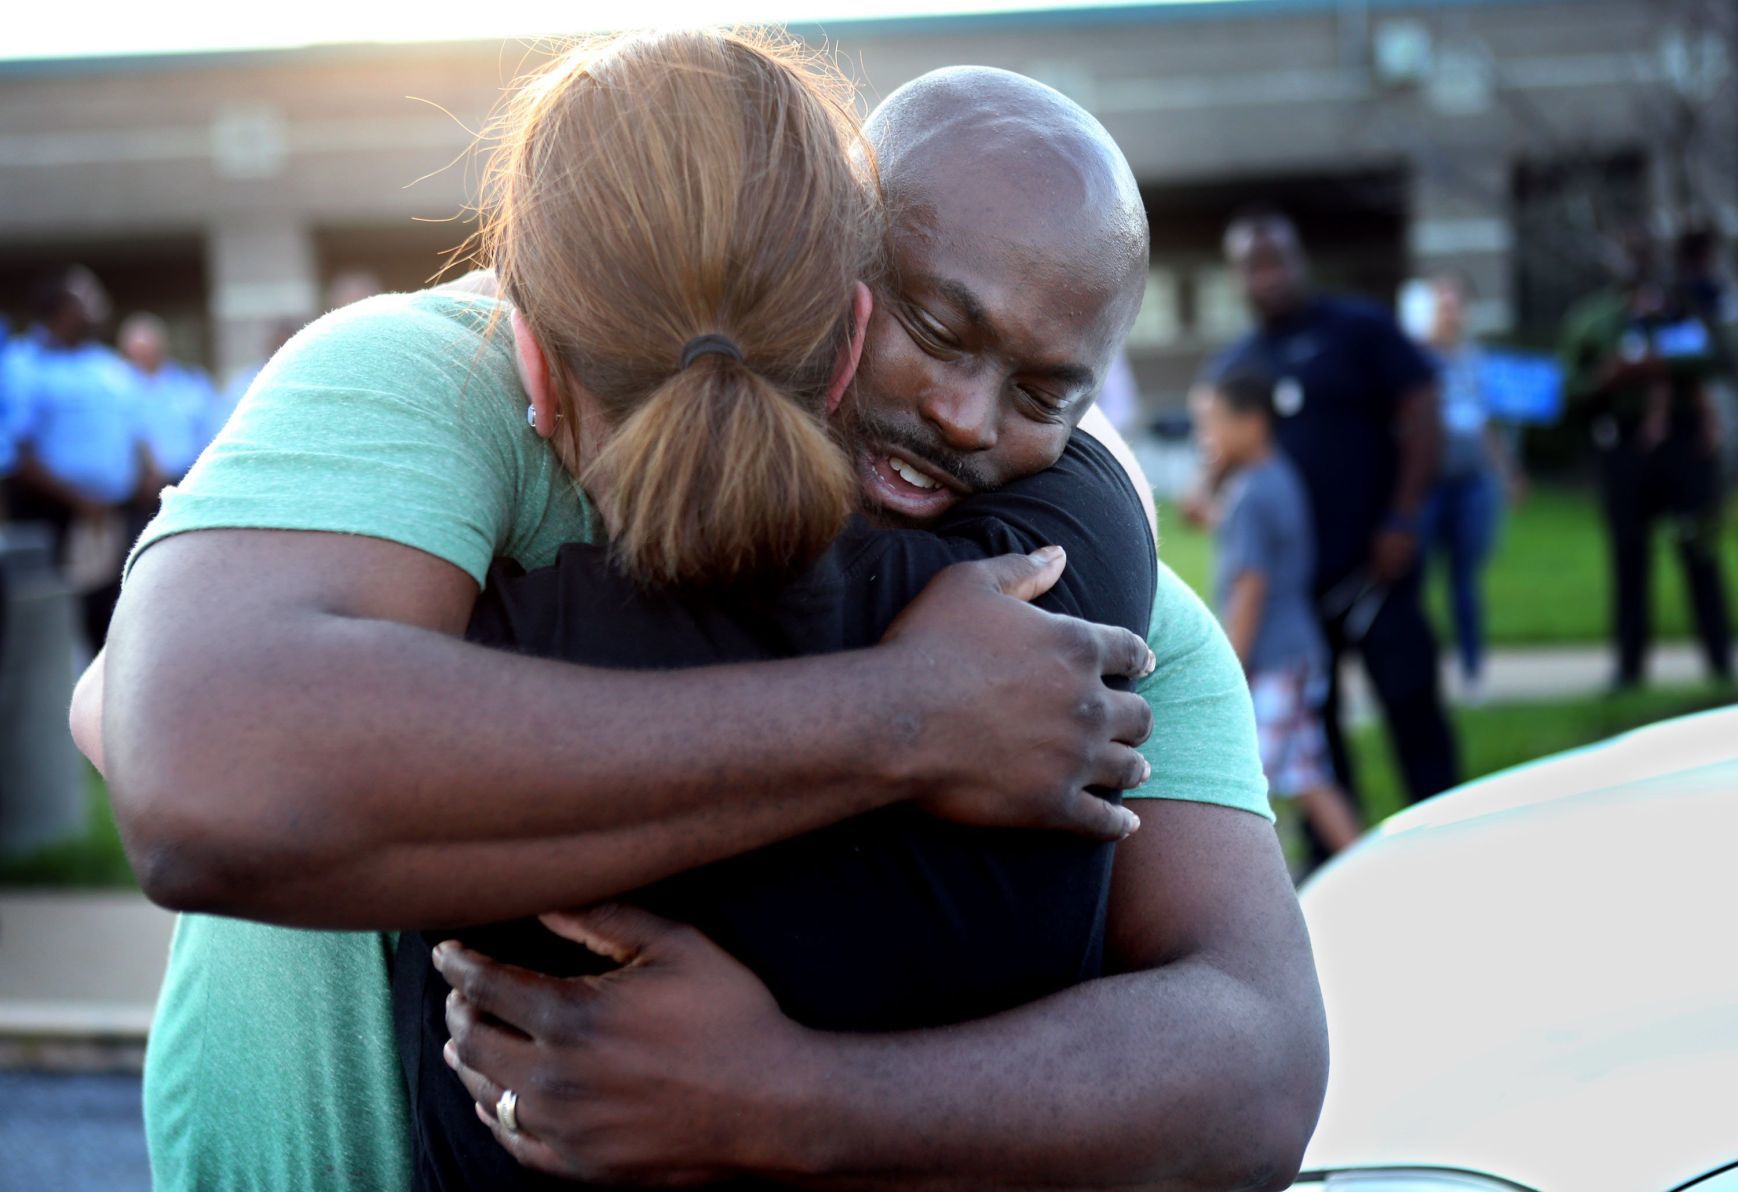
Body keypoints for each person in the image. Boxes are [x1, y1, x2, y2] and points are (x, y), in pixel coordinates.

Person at [75, 40, 1324, 1192]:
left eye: (1046, 390)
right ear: (833, 274)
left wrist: (788, 1100)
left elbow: (1258, 1070)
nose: (963, 412)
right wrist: (906, 721)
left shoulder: (1079, 588)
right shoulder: (464, 378)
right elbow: (213, 770)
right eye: (935, 326)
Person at [1203, 207, 1458, 811]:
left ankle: (1447, 822)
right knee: (1318, 735)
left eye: (1276, 262)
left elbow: (1423, 411)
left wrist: (1404, 516)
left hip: (1378, 565)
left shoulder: (1360, 330)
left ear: (1299, 261)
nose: (1267, 277)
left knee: (1411, 703)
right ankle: (1337, 860)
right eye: (1251, 267)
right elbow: (1217, 459)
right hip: (1297, 593)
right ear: (1236, 276)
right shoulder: (1236, 367)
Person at [1194, 372, 1361, 860]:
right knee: (1309, 778)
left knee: (1237, 786)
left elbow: (1250, 590)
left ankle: (1236, 895)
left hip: (1272, 662)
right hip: (1298, 653)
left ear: (1253, 423)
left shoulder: (1252, 496)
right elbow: (1195, 510)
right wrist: (1213, 467)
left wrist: (1229, 669)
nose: (1205, 437)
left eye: (1213, 423)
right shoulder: (1273, 477)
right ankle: (1362, 862)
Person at [1561, 228, 1732, 688]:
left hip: (1683, 443)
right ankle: (1629, 668)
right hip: (1625, 446)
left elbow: (1716, 354)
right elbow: (1570, 389)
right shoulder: (1595, 319)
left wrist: (1661, 365)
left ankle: (1720, 661)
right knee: (1629, 556)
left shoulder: (1681, 310)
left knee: (1699, 548)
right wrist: (1609, 379)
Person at [3, 267, 149, 647]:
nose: (100, 307)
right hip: (54, 515)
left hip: (114, 514)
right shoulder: (21, 364)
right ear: (65, 308)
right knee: (56, 630)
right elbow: (18, 453)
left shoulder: (105, 364)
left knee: (116, 621)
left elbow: (132, 429)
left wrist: (146, 471)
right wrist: (80, 500)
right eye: (90, 299)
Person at [1416, 273, 1521, 704]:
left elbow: (1487, 424)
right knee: (1417, 583)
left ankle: (1472, 672)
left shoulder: (1476, 359)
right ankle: (1421, 673)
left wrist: (1508, 472)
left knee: (1465, 581)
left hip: (1471, 485)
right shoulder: (1418, 361)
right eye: (1442, 307)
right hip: (1430, 487)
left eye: (1455, 306)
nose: (1450, 314)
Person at [118, 312, 221, 487]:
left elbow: (211, 429)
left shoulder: (192, 381)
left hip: (189, 480)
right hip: (138, 488)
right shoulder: (118, 386)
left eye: (149, 351)